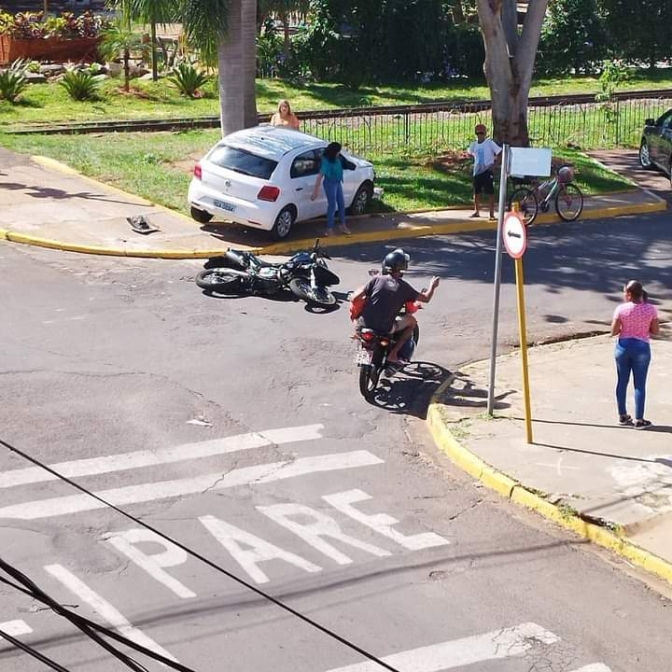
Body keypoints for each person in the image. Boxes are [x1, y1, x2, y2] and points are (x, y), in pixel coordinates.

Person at [350, 249, 440, 365]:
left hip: (362, 325)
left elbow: (354, 298)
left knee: (361, 321)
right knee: (412, 322)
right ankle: (393, 355)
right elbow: (426, 298)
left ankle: (360, 340)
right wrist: (433, 286)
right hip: (384, 328)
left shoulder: (376, 279)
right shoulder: (404, 287)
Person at [610, 280, 659, 429]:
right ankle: (639, 419)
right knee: (640, 385)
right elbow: (655, 331)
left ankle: (622, 415)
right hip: (642, 348)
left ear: (629, 294)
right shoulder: (651, 309)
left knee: (622, 382)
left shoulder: (621, 309)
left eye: (625, 292)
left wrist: (625, 327)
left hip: (623, 347)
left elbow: (613, 331)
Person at [310, 141, 354, 236]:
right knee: (332, 206)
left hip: (337, 183)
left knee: (342, 204)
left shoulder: (337, 158)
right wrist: (315, 192)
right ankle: (329, 229)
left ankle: (343, 225)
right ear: (334, 152)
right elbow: (320, 177)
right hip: (330, 184)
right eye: (338, 151)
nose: (339, 153)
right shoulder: (326, 162)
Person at [467, 123, 501, 220]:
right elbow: (469, 153)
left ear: (485, 133)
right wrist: (472, 159)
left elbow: (499, 153)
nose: (480, 135)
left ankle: (491, 213)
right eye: (478, 133)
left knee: (490, 192)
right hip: (477, 171)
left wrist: (494, 165)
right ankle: (476, 211)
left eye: (482, 133)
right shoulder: (474, 145)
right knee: (476, 192)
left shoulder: (490, 143)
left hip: (487, 170)